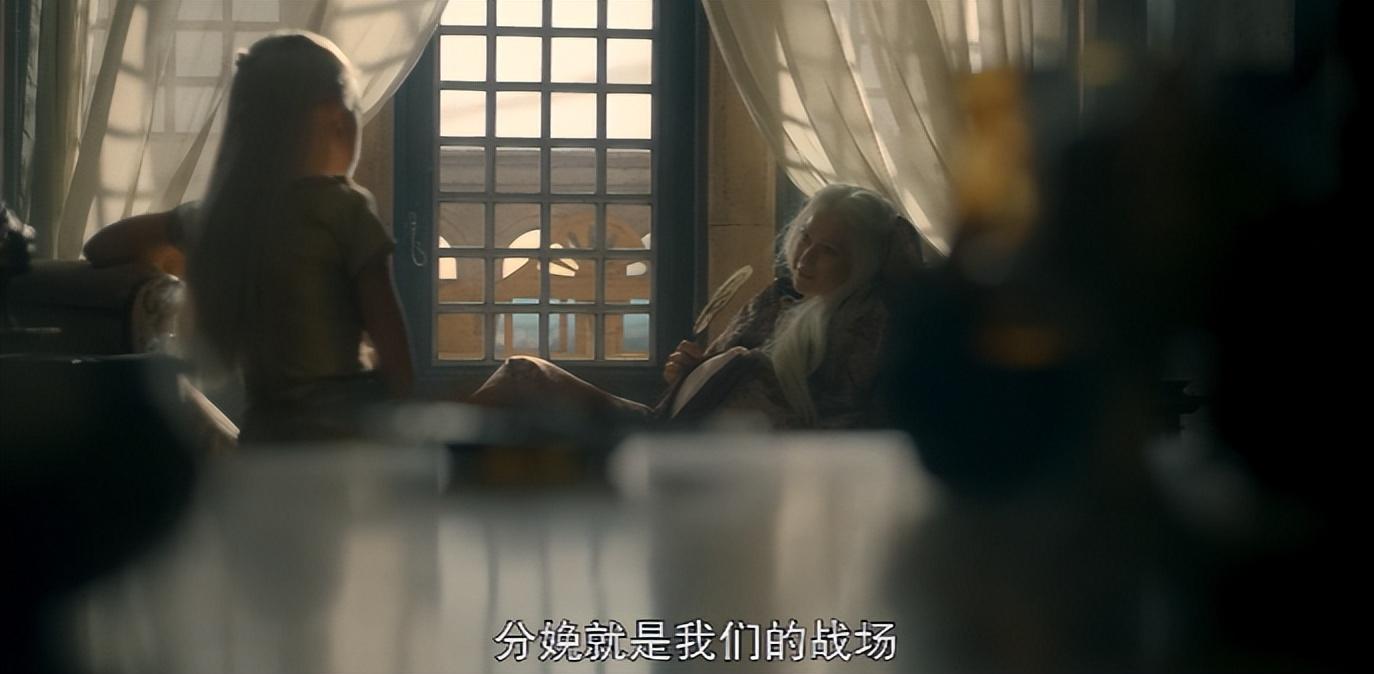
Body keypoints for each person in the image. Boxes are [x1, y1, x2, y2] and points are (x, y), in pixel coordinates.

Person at [85, 32, 413, 441]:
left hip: (264, 439)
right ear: (335, 117)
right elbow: (397, 362)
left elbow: (100, 247)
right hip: (345, 442)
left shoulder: (220, 218)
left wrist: (194, 260)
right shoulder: (345, 209)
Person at [471, 183, 921, 429]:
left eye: (829, 251)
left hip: (704, 457)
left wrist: (744, 375)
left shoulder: (868, 321)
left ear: (861, 262)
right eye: (805, 237)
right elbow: (710, 371)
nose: (806, 257)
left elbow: (847, 420)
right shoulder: (774, 298)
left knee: (525, 389)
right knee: (521, 372)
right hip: (673, 429)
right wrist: (690, 370)